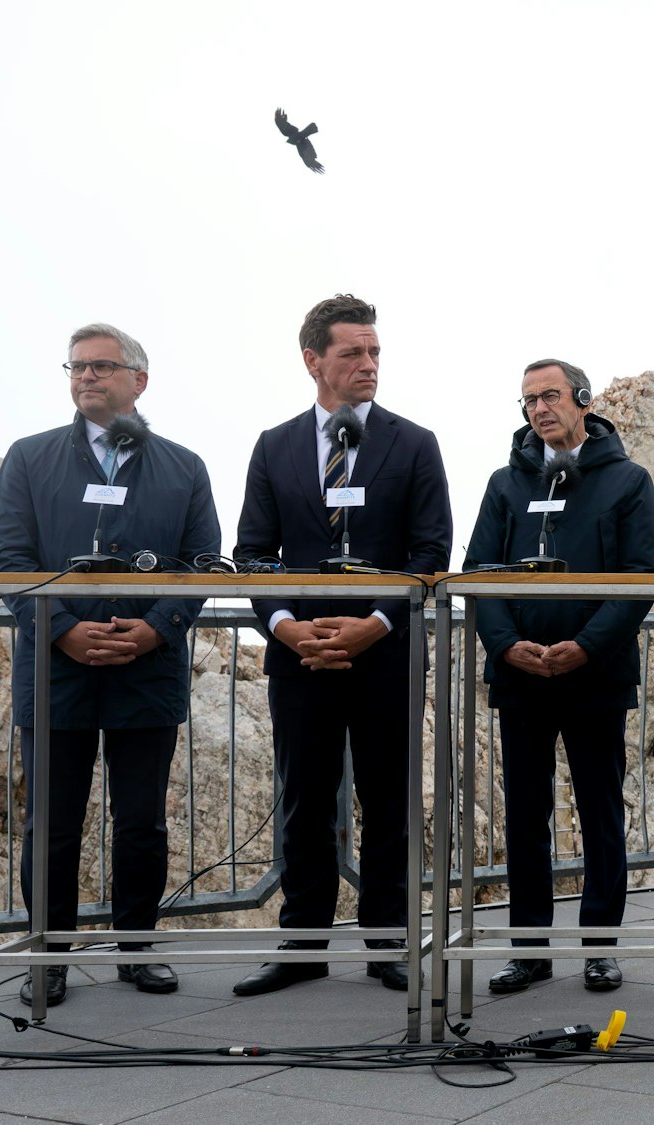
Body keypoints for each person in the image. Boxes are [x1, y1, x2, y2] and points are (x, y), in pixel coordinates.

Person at [0, 323, 222, 1008]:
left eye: (102, 366)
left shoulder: (184, 467)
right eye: (77, 366)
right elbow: (7, 561)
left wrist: (155, 630)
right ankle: (49, 956)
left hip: (146, 672)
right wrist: (62, 630)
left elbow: (201, 563)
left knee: (142, 820)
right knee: (52, 823)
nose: (86, 377)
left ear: (138, 380)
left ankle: (137, 948)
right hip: (55, 671)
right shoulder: (30, 460)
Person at [232, 294, 452, 996]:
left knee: (388, 799)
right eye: (353, 352)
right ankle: (302, 943)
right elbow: (252, 554)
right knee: (304, 797)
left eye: (375, 351)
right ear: (313, 360)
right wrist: (287, 625)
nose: (368, 364)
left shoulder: (414, 443)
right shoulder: (273, 445)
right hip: (300, 656)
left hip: (384, 652)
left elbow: (431, 552)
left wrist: (375, 623)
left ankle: (388, 942)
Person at [465, 358, 654, 995]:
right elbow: (477, 575)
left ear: (582, 400)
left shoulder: (627, 481)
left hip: (593, 675)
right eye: (527, 400)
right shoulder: (504, 484)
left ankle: (599, 947)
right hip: (521, 674)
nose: (538, 409)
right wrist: (504, 645)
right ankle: (530, 950)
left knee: (599, 811)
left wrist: (586, 647)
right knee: (526, 814)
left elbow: (639, 579)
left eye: (549, 396)